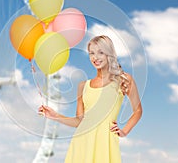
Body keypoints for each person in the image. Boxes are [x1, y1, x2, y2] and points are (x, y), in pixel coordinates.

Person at [38, 35, 142, 163]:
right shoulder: (83, 86)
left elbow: (138, 111)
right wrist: (54, 115)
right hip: (81, 142)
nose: (95, 58)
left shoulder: (123, 79)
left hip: (105, 142)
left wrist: (125, 131)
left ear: (109, 54)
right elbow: (79, 121)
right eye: (91, 53)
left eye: (100, 53)